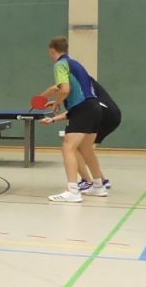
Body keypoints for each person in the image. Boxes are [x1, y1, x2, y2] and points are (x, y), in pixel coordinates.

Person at [37, 37, 106, 203]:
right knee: (86, 149)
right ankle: (98, 186)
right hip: (95, 108)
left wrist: (57, 103)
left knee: (68, 147)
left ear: (52, 50)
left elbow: (65, 89)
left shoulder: (60, 64)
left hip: (83, 109)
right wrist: (57, 103)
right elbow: (72, 90)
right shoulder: (75, 64)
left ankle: (73, 191)